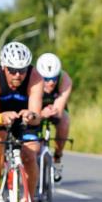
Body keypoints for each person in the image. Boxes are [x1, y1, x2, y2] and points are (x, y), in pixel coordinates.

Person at [0, 42, 42, 202]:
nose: (17, 75)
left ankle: (28, 200)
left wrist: (31, 115)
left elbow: (37, 117)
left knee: (30, 153)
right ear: (3, 67)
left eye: (22, 70)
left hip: (22, 112)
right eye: (12, 70)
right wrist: (1, 118)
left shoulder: (35, 78)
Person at [35, 53, 72, 182]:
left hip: (55, 106)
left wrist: (53, 112)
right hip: (36, 105)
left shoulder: (65, 79)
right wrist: (40, 114)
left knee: (64, 122)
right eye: (46, 79)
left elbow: (58, 110)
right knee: (33, 125)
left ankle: (57, 158)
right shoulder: (33, 79)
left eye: (54, 78)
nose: (50, 83)